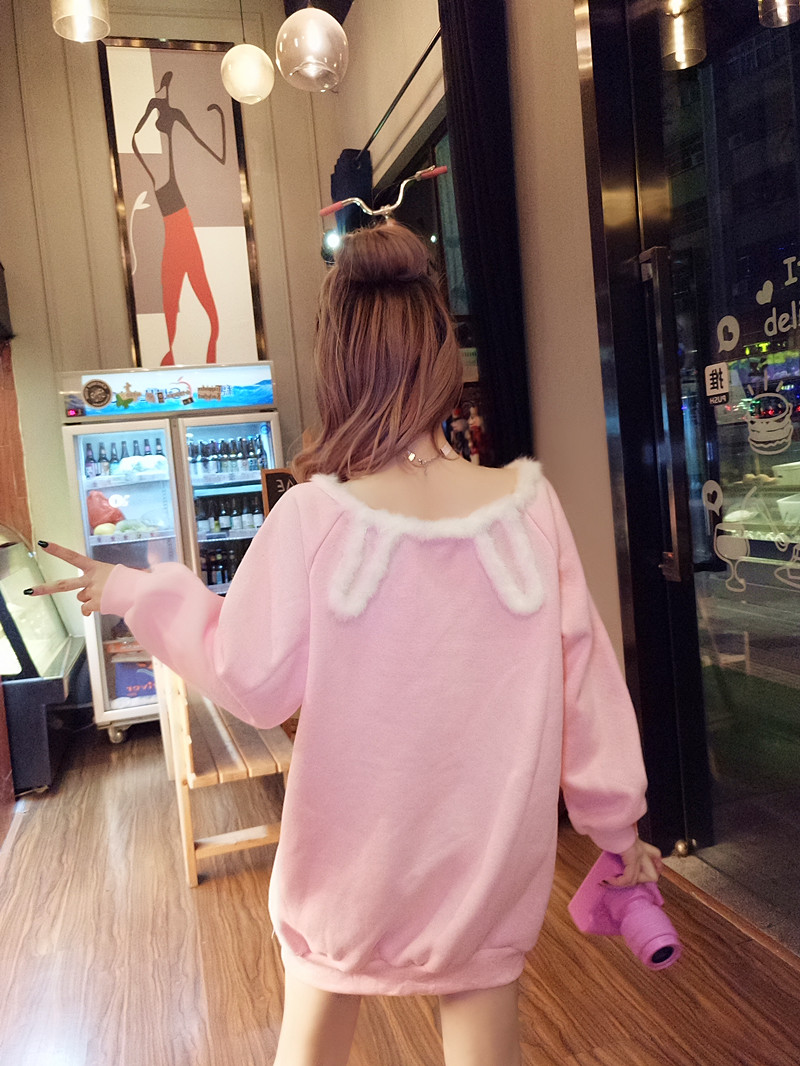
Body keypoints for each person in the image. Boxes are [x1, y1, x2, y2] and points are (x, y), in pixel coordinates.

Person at [27, 222, 662, 1066]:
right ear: (442, 354)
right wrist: (617, 830)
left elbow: (250, 681)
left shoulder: (312, 519)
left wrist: (132, 591)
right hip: (488, 871)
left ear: (337, 364)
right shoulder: (529, 512)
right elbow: (588, 685)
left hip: (346, 879)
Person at [131, 70, 226, 365]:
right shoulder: (155, 113)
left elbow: (211, 150)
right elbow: (136, 139)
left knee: (200, 307)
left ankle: (205, 363)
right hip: (175, 228)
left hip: (181, 227)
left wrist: (217, 120)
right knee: (175, 305)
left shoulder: (175, 116)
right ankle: (181, 361)